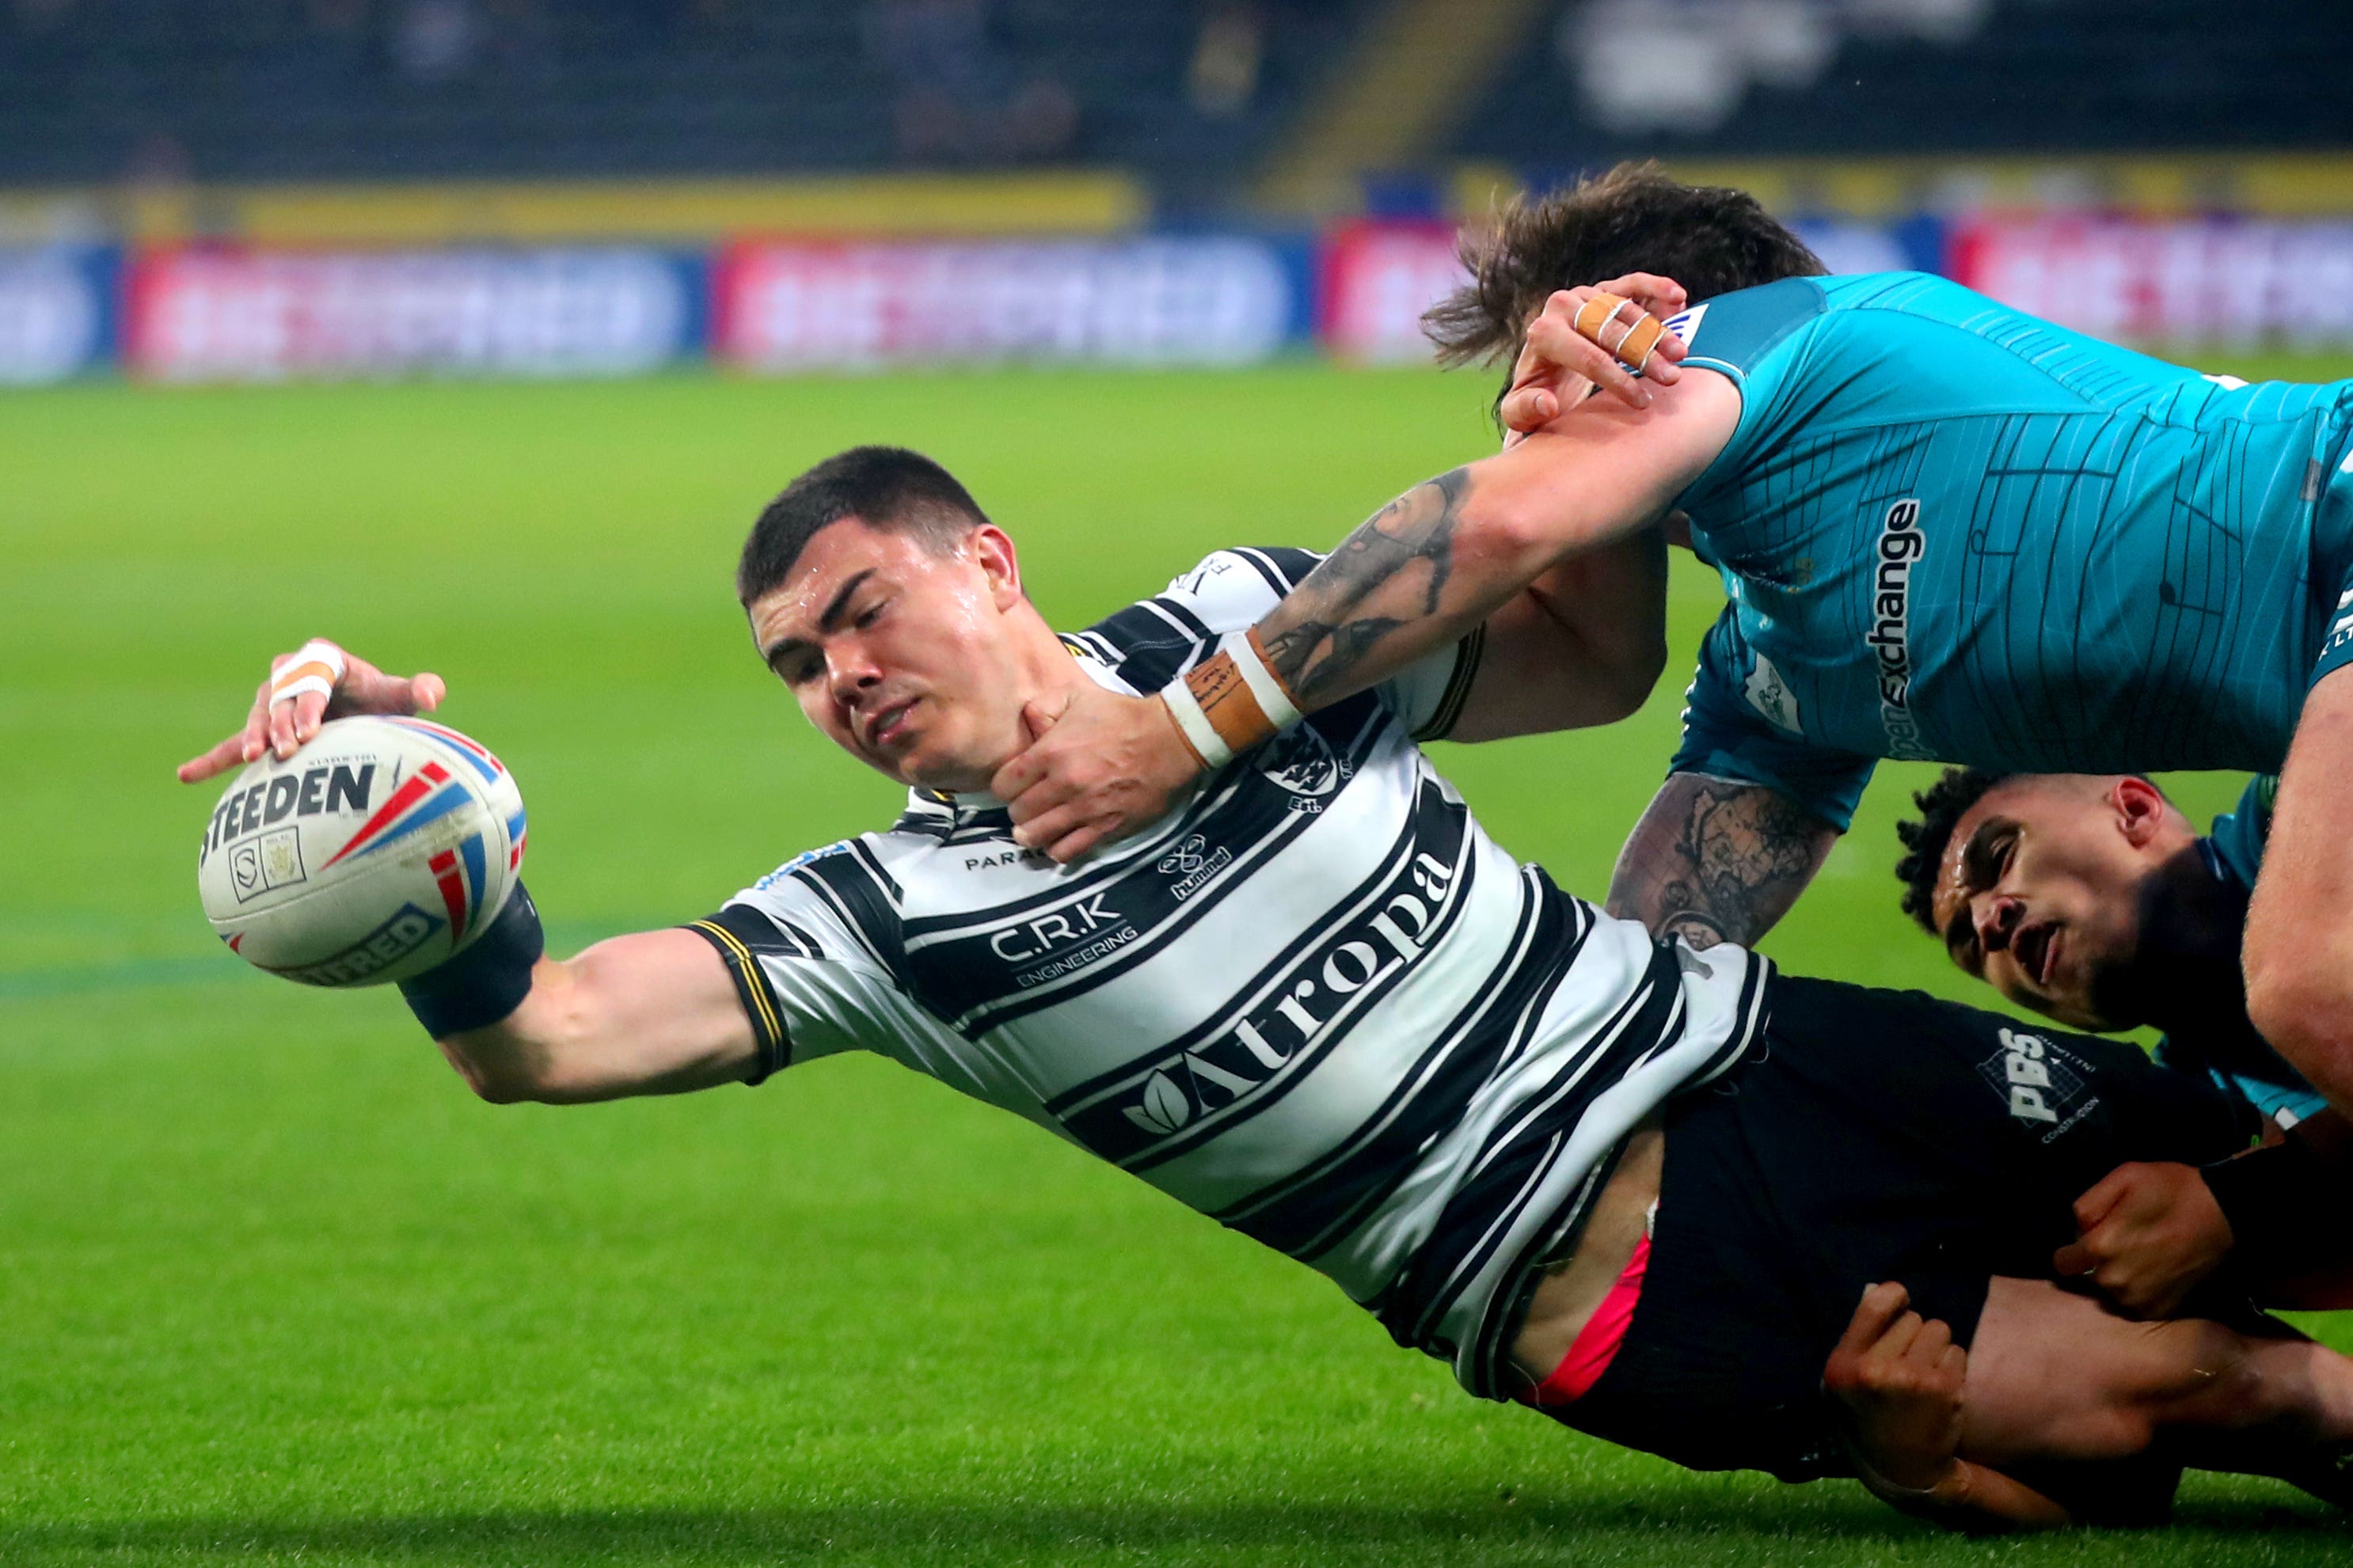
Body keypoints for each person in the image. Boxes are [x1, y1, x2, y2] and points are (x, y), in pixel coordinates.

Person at [181, 445, 2353, 1530]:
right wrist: (416, 821)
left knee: (2292, 1170)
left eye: (857, 612)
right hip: (1621, 1279)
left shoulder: (1236, 627)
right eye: (795, 666)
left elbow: (1587, 655)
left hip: (1774, 1050)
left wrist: (1587, 409)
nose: (836, 678)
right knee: (2263, 1394)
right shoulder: (883, 919)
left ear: (982, 565)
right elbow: (540, 1042)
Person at [987, 165, 2353, 1124]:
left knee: (2301, 984)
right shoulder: (1781, 668)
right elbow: (1645, 963)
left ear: (1655, 330)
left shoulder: (1811, 341)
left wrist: (1172, 734)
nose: (1535, 424)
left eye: (1547, 395)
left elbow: (1496, 533)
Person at [1890, 767, 2353, 1320]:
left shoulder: (2305, 800)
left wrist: (2251, 1199)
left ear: (2134, 809)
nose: (1989, 922)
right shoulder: (2187, 1127)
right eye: (1970, 945)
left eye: (2003, 855)